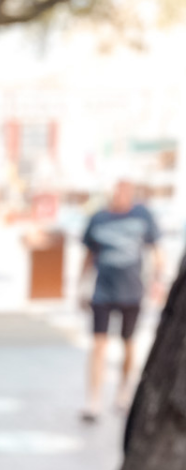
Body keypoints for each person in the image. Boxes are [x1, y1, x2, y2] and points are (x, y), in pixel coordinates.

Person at [79, 177, 163, 420]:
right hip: (102, 291)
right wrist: (81, 286)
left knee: (128, 344)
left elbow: (157, 250)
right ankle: (93, 400)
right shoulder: (98, 218)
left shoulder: (142, 216)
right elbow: (88, 255)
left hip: (131, 292)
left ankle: (123, 391)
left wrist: (158, 280)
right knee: (98, 345)